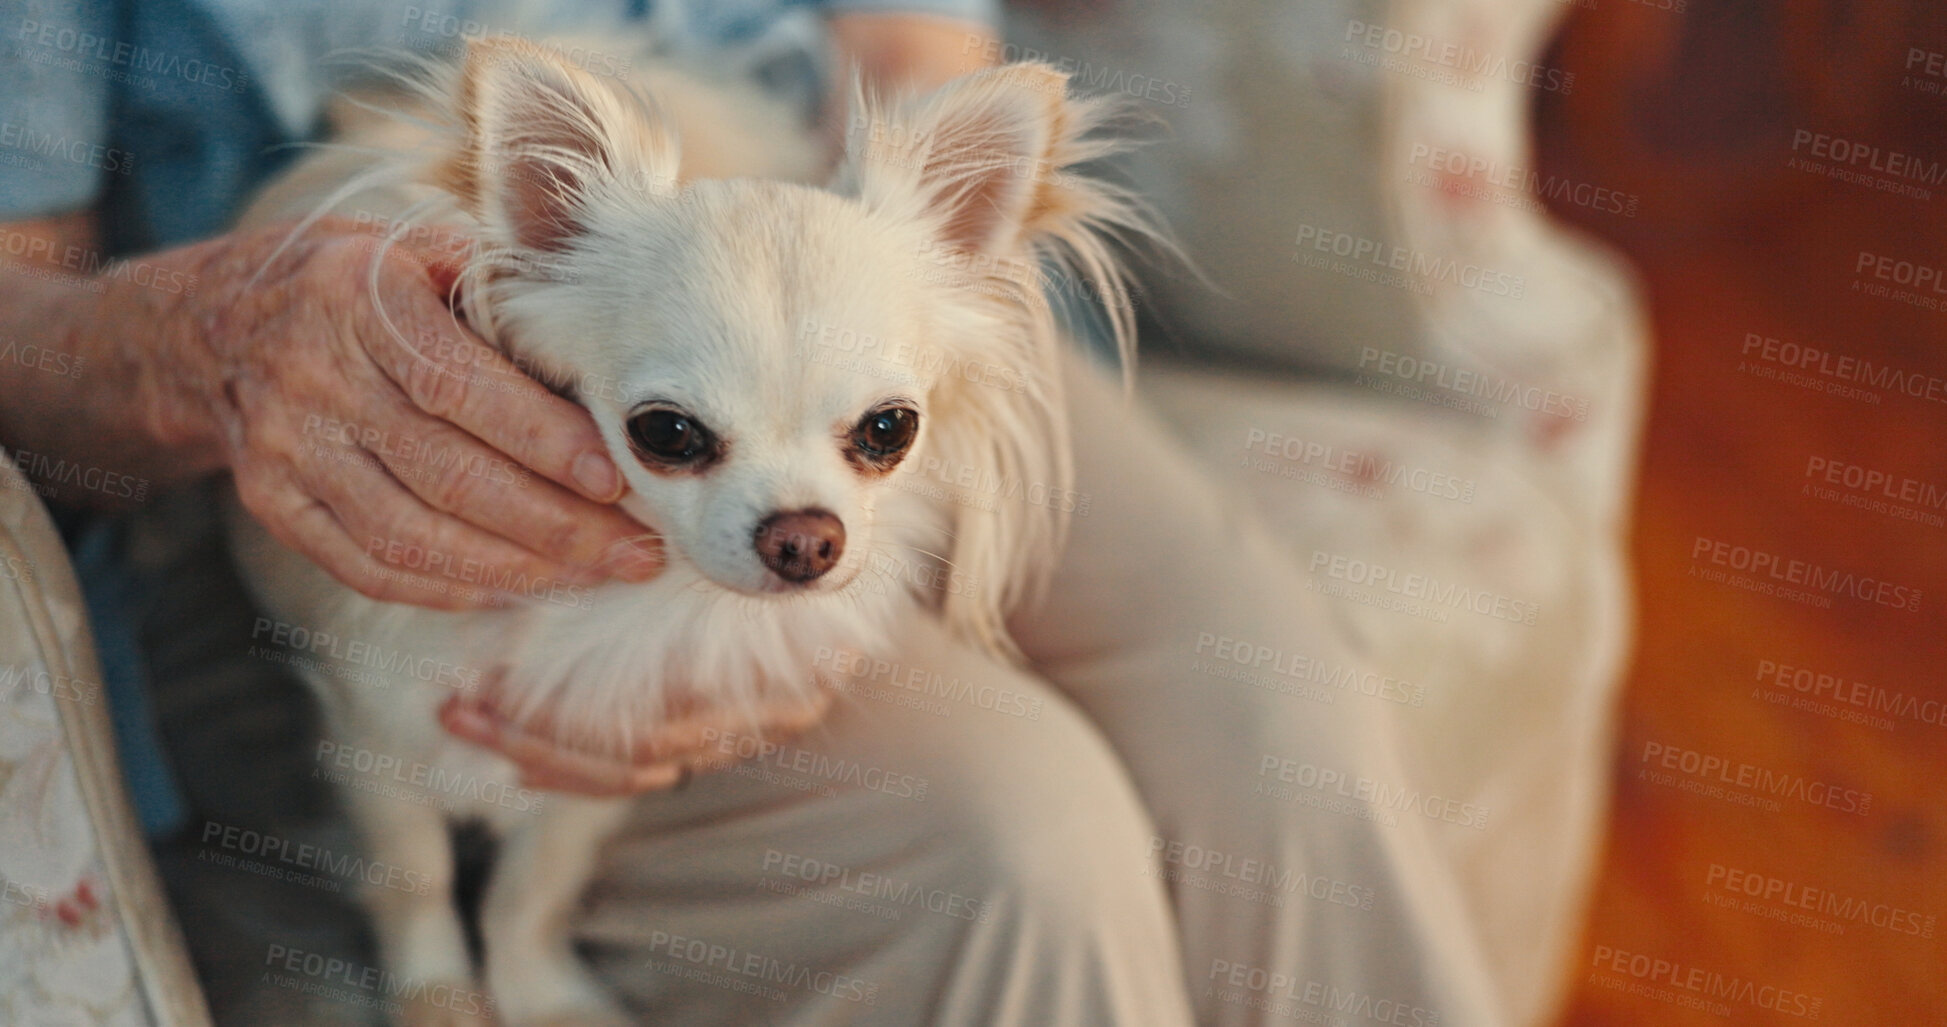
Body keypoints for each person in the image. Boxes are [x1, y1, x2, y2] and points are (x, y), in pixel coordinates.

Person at [0, 2, 1510, 1024]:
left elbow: (912, 44)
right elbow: (23, 308)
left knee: (1291, 739)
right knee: (1023, 846)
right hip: (421, 336)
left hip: (853, 268)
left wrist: (892, 273)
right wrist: (202, 345)